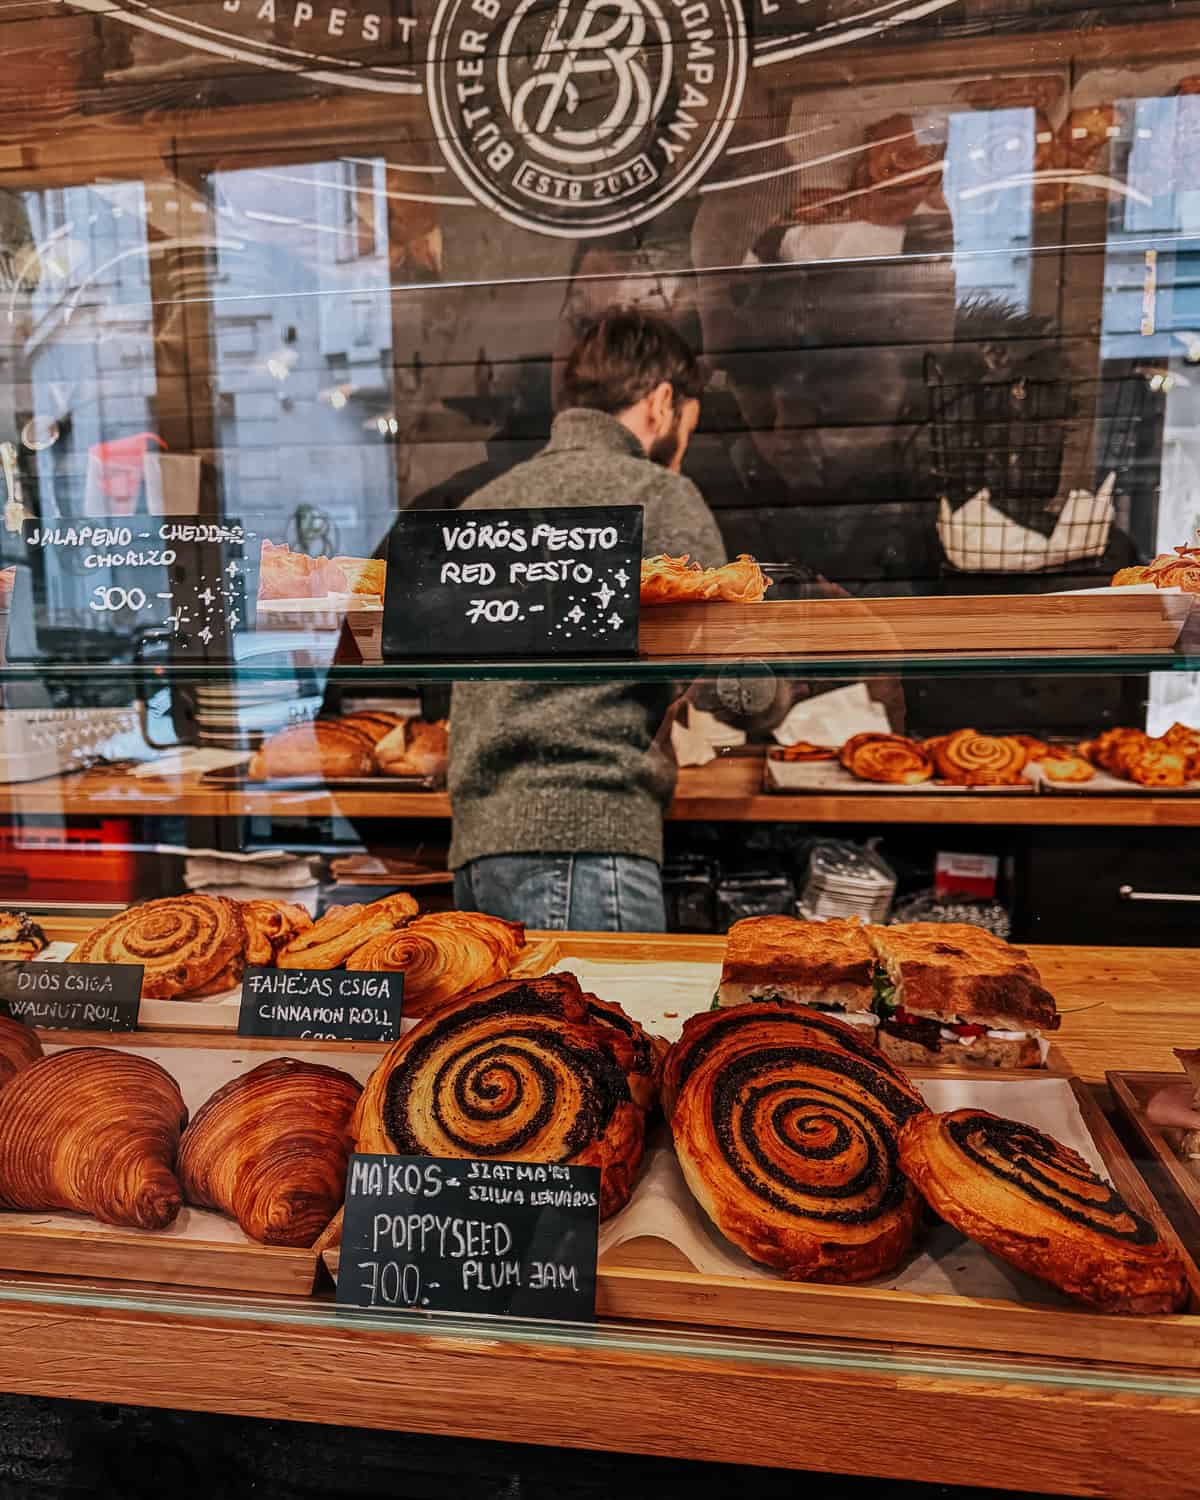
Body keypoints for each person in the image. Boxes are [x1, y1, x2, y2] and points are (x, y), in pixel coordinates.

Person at [448, 308, 727, 933]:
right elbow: (734, 672)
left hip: (476, 853)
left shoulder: (484, 503)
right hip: (590, 845)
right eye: (687, 432)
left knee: (511, 1034)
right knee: (605, 1034)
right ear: (661, 403)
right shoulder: (658, 495)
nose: (680, 455)